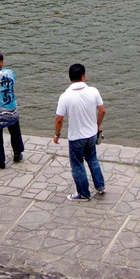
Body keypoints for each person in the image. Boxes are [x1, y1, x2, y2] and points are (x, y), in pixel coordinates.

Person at [53, 62, 105, 201]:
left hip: (76, 137)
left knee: (77, 165)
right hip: (92, 134)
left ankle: (83, 193)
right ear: (83, 77)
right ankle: (100, 187)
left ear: (70, 78)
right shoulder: (93, 91)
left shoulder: (65, 96)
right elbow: (102, 110)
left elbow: (59, 119)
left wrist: (57, 134)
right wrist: (97, 126)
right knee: (93, 159)